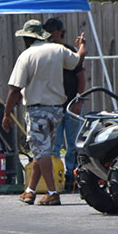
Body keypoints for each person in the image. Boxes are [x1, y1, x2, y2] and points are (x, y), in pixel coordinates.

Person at [2, 19, 86, 206]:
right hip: (57, 109)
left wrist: (7, 113)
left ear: (27, 38)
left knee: (43, 151)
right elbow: (77, 61)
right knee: (42, 150)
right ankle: (30, 191)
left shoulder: (27, 55)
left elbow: (15, 88)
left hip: (37, 109)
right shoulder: (58, 49)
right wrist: (81, 46)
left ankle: (52, 193)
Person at [44, 18, 86, 188]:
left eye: (52, 30)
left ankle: (72, 176)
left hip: (71, 104)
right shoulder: (46, 52)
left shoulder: (66, 51)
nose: (49, 34)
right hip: (53, 105)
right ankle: (56, 176)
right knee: (54, 146)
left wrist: (78, 100)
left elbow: (80, 75)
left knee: (74, 144)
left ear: (60, 31)